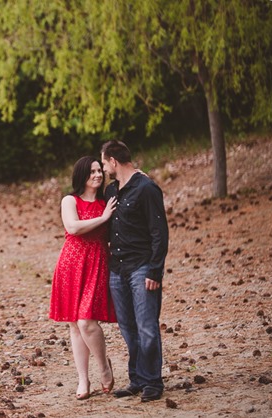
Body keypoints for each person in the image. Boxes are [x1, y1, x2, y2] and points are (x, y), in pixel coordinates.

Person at [100, 140, 169, 402]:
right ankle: (137, 379)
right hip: (117, 271)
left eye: (104, 162)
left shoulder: (147, 189)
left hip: (142, 269)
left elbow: (159, 234)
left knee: (147, 327)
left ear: (113, 161)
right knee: (128, 329)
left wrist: (155, 271)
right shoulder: (111, 191)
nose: (104, 167)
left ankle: (153, 381)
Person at [49, 156, 117, 400]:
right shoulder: (70, 200)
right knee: (74, 325)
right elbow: (73, 228)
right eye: (92, 172)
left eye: (99, 170)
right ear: (81, 176)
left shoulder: (106, 200)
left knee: (86, 321)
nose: (97, 175)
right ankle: (83, 379)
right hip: (71, 263)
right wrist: (103, 218)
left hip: (98, 261)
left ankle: (104, 368)